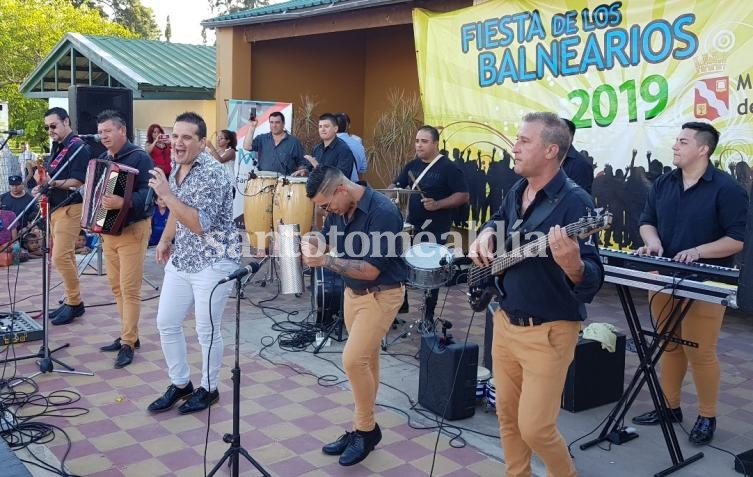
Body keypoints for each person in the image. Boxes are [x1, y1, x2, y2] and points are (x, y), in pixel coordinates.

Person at [468, 112, 603, 477]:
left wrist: (573, 264)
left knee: (536, 428)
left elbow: (592, 279)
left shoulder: (576, 204)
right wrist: (485, 234)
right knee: (507, 418)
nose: (515, 147)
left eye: (524, 141)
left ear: (550, 150)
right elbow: (497, 219)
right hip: (506, 321)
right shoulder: (518, 189)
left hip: (549, 330)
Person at [631, 122, 748, 445]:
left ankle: (707, 416)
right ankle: (670, 408)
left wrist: (699, 252)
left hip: (706, 283)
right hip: (664, 278)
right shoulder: (664, 183)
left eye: (683, 141)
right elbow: (646, 221)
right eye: (676, 140)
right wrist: (652, 242)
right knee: (668, 345)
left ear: (703, 149)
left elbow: (737, 239)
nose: (675, 146)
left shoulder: (727, 189)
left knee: (701, 352)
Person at [300, 165, 407, 467]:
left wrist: (325, 260)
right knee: (367, 361)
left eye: (326, 205)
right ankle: (365, 428)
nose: (326, 211)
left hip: (381, 294)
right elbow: (326, 236)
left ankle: (365, 430)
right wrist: (311, 242)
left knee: (353, 359)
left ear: (342, 190)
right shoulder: (339, 209)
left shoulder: (383, 212)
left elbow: (372, 268)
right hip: (353, 294)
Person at [147, 112, 240, 415]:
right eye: (175, 136)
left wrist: (166, 194)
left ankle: (209, 389)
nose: (178, 143)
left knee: (206, 330)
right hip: (184, 256)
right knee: (167, 322)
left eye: (187, 137)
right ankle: (180, 383)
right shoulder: (178, 165)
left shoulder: (213, 174)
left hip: (214, 261)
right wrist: (165, 240)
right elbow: (179, 208)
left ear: (202, 142)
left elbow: (200, 223)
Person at [390, 125, 469, 323]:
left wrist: (438, 204)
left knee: (430, 272)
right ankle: (402, 304)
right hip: (411, 225)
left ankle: (428, 316)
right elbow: (396, 185)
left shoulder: (448, 168)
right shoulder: (411, 166)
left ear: (435, 143)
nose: (419, 145)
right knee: (400, 263)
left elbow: (463, 195)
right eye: (417, 141)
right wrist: (388, 195)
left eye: (424, 141)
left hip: (436, 228)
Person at [95, 109, 154, 369]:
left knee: (129, 289)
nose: (103, 136)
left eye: (108, 131)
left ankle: (128, 342)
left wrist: (123, 202)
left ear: (122, 131)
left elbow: (148, 195)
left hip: (133, 228)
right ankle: (129, 334)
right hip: (110, 231)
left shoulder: (140, 158)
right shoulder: (102, 159)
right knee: (116, 287)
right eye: (100, 132)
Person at [32, 107, 91, 325]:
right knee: (66, 257)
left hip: (70, 207)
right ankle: (72, 300)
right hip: (56, 207)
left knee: (59, 257)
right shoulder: (57, 146)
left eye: (54, 125)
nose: (50, 130)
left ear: (66, 121)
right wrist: (42, 186)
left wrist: (53, 183)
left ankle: (74, 303)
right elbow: (53, 176)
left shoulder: (78, 147)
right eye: (47, 127)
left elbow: (78, 181)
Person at [241, 111, 308, 176]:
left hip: (284, 183)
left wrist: (301, 172)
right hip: (263, 181)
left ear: (283, 123)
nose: (274, 125)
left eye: (277, 122)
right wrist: (252, 127)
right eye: (271, 122)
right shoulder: (262, 138)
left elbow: (301, 163)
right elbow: (247, 147)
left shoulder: (294, 142)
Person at [304, 113, 358, 181]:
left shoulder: (344, 150)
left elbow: (342, 178)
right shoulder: (317, 149)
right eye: (320, 126)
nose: (322, 129)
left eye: (326, 126)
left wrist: (318, 167)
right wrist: (305, 171)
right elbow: (312, 170)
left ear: (335, 129)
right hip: (317, 190)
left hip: (336, 191)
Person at [561, 118, 594, 194]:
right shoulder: (547, 158)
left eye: (559, 134)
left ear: (571, 137)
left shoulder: (581, 165)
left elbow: (579, 199)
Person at [336, 113, 366, 182]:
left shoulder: (329, 143)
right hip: (353, 185)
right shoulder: (357, 144)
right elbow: (363, 168)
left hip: (334, 186)